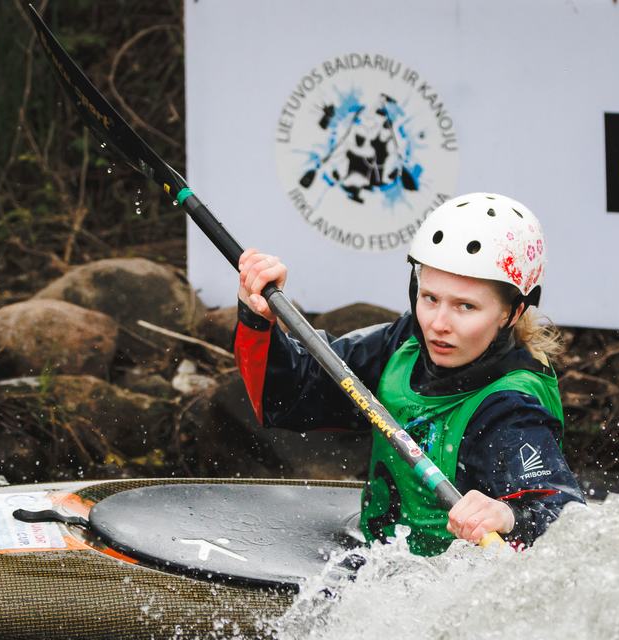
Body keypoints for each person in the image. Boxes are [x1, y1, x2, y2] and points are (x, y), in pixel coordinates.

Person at [233, 192, 585, 556]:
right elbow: (286, 396)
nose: (438, 323)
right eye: (430, 298)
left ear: (511, 313)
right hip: (379, 565)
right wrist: (256, 317)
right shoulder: (406, 345)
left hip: (445, 590)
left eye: (466, 306)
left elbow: (563, 517)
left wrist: (507, 515)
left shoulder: (511, 408)